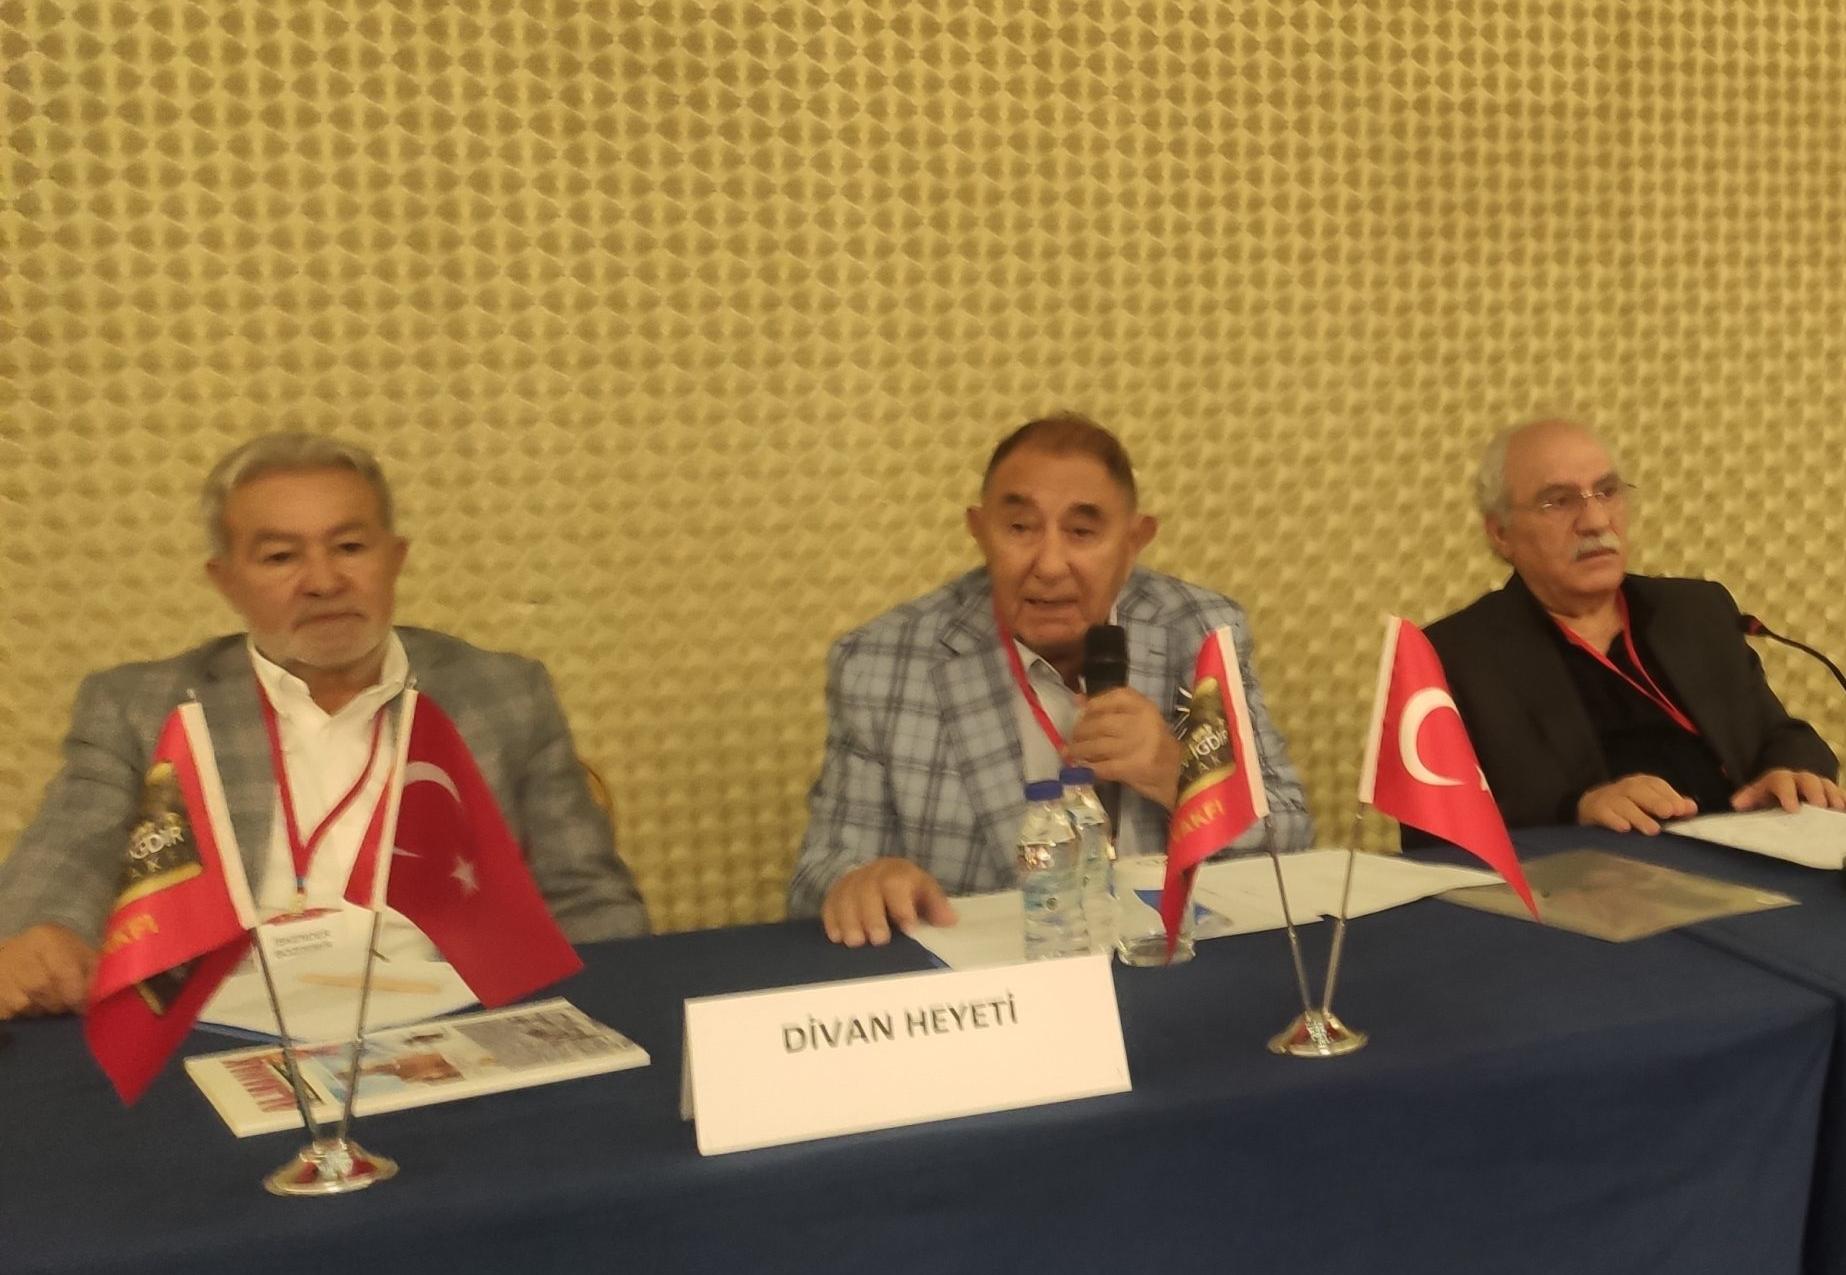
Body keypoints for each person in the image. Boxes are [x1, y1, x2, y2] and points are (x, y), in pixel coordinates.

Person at [0, 433, 649, 1021]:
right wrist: (39, 932)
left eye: (350, 547)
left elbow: (586, 896)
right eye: (281, 556)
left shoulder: (502, 693)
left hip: (460, 1013)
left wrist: (604, 1014)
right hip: (219, 1023)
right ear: (225, 581)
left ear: (394, 559)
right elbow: (69, 851)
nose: (324, 581)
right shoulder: (142, 706)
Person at [790, 415, 1313, 946]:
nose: (1050, 564)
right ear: (980, 530)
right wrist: (863, 881)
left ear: (1134, 540)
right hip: (997, 970)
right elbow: (819, 874)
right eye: (1020, 528)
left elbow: (1289, 833)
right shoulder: (881, 662)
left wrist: (1175, 774)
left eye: (1082, 532)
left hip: (1168, 955)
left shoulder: (1199, 633)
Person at [1425, 419, 1846, 835]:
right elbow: (1440, 825)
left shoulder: (1697, 612)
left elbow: (1782, 735)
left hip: (1746, 854)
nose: (1596, 521)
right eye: (1559, 501)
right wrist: (1576, 809)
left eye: (1608, 492)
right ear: (1501, 533)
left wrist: (1791, 771)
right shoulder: (1455, 655)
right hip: (1593, 871)